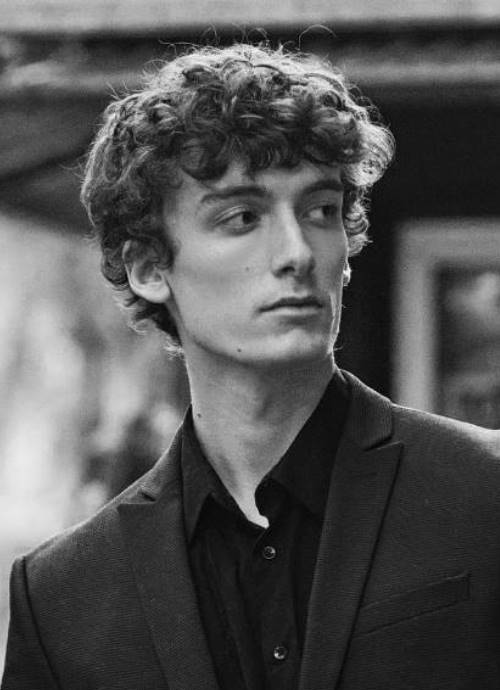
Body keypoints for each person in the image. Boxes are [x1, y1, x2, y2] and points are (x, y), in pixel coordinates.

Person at [2, 42, 500, 690]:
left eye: (320, 211)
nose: (298, 252)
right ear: (149, 267)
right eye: (243, 217)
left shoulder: (484, 493)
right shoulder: (62, 596)